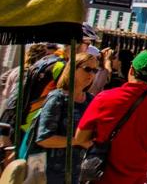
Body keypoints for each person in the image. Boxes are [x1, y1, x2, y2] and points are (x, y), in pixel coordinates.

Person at [73, 50, 147, 184]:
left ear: (131, 70)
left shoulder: (104, 98)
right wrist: (144, 144)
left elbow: (80, 137)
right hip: (136, 177)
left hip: (102, 175)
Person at [24, 52, 98, 183]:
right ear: (73, 69)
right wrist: (77, 141)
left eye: (95, 70)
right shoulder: (58, 98)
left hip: (75, 173)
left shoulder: (90, 100)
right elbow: (43, 138)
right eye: (87, 69)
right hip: (49, 174)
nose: (91, 74)